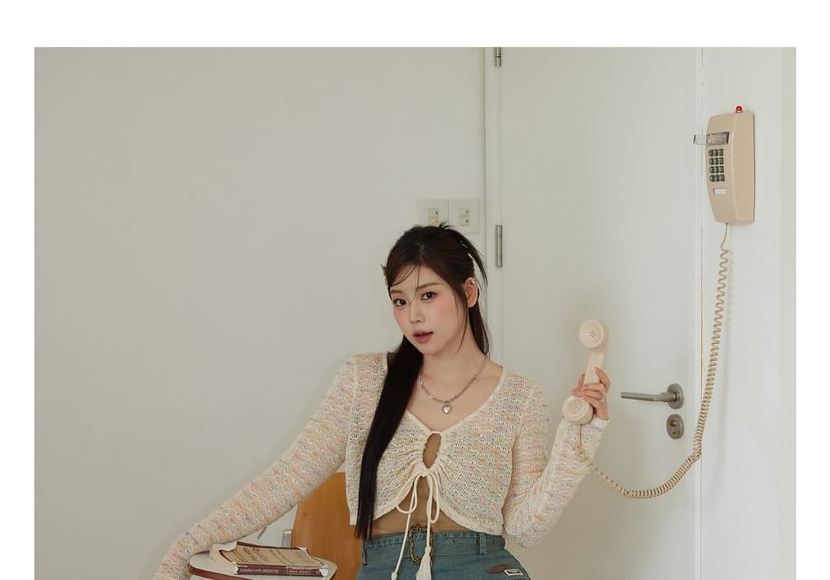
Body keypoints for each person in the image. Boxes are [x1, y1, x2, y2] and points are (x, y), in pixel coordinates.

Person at [153, 223, 610, 580]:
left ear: (468, 293)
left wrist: (581, 434)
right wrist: (187, 545)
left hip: (483, 568)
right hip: (384, 569)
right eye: (400, 300)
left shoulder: (520, 397)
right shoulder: (365, 381)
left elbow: (527, 527)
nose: (414, 316)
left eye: (428, 295)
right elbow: (286, 479)